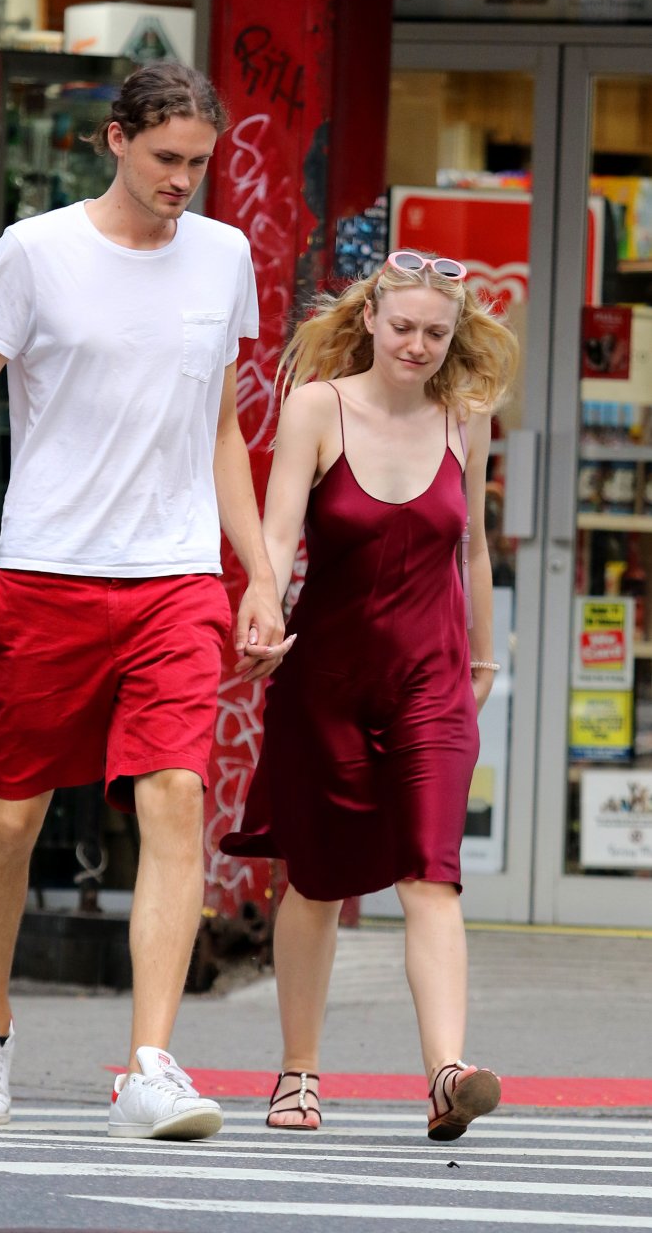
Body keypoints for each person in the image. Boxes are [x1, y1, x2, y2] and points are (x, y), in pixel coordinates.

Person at [0, 61, 290, 1141]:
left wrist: (259, 573)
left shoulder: (223, 255)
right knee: (11, 818)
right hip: (49, 572)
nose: (183, 179)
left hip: (176, 578)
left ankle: (150, 1064)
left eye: (199, 163)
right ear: (114, 139)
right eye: (166, 157)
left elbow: (221, 428)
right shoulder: (35, 251)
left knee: (175, 794)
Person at [221, 249, 519, 1141]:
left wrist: (484, 660)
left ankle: (446, 1073)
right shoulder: (317, 407)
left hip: (432, 679)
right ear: (369, 321)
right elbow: (276, 532)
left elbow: (472, 546)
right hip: (326, 680)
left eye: (435, 332)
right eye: (403, 328)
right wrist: (261, 612)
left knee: (432, 873)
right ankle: (298, 1074)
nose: (418, 346)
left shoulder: (467, 418)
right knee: (315, 882)